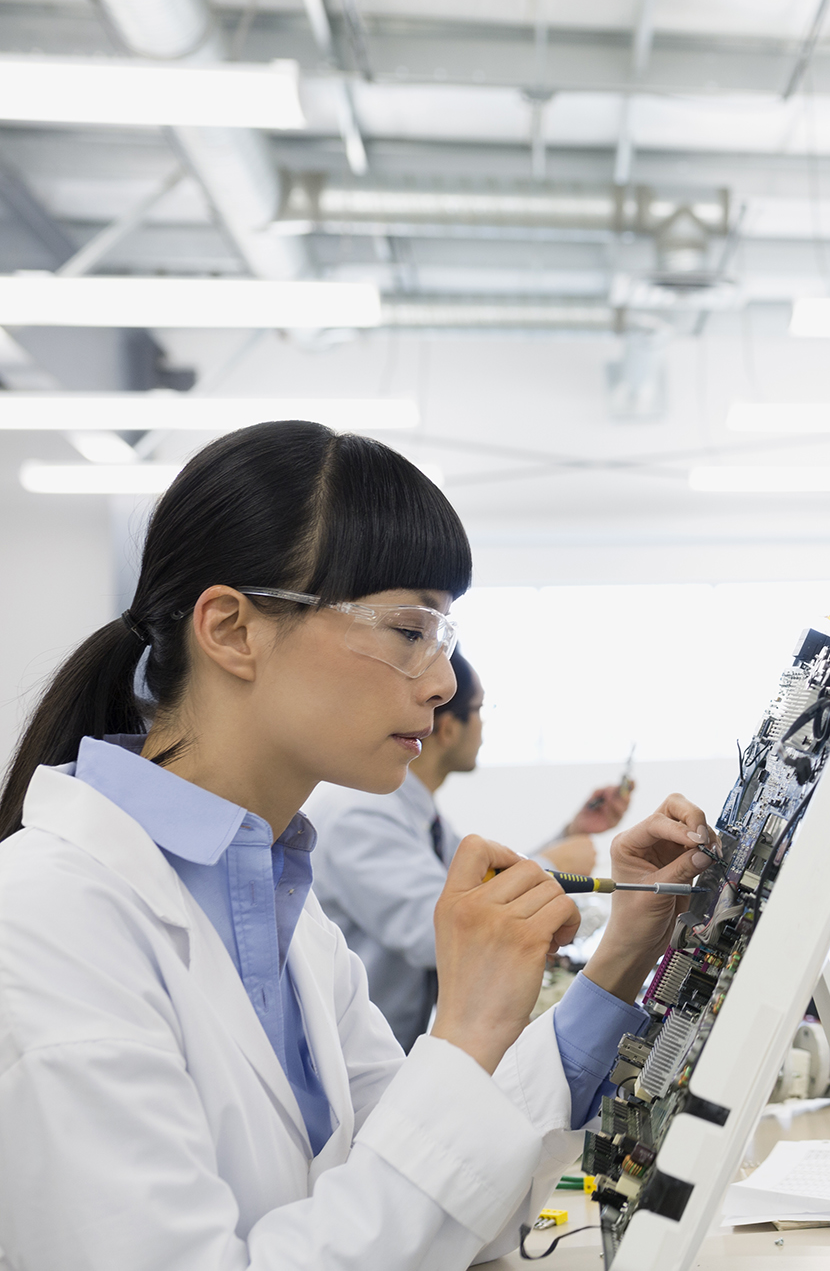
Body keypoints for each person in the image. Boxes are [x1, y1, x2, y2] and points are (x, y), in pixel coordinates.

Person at [0, 421, 716, 1271]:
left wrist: (623, 955)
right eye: (410, 629)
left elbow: (447, 1198)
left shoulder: (287, 919)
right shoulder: (46, 922)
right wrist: (469, 1022)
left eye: (443, 636)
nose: (446, 681)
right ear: (231, 629)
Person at [308, 648, 632, 1048]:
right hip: (352, 1061)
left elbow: (474, 886)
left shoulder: (414, 812)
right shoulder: (359, 815)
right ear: (446, 728)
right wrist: (550, 864)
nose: (483, 727)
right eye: (480, 709)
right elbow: (443, 929)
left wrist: (570, 833)